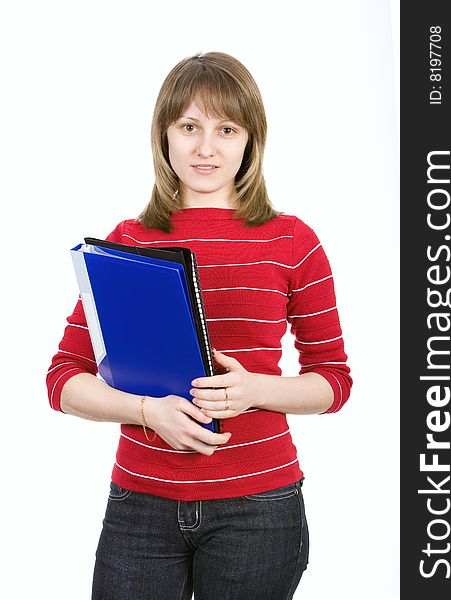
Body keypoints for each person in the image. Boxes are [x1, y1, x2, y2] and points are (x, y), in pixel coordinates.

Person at [46, 51, 352, 600]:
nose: (206, 147)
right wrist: (146, 411)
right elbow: (63, 379)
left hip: (259, 508)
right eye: (189, 126)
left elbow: (333, 381)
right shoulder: (128, 242)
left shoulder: (293, 242)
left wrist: (254, 390)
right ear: (164, 135)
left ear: (250, 139)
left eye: (226, 128)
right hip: (141, 504)